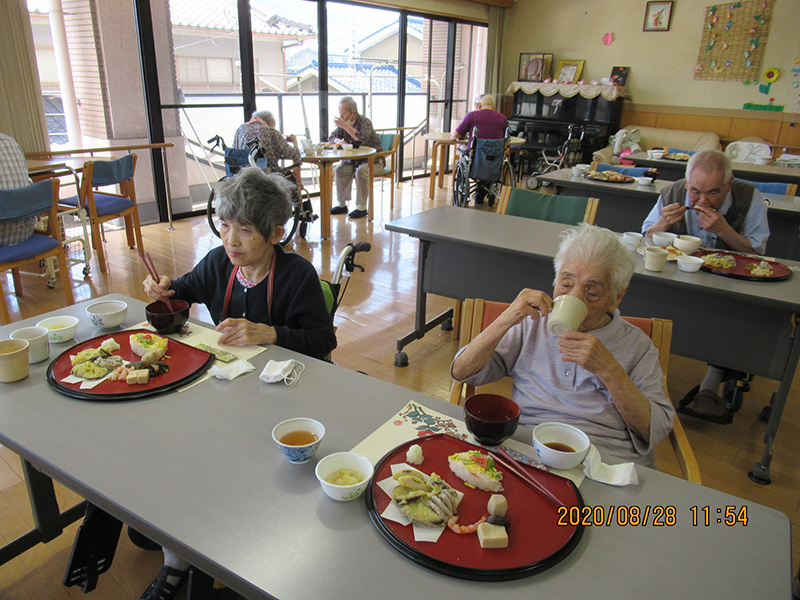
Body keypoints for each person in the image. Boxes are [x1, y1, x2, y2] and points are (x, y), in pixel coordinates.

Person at [138, 167, 336, 600]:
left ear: (276, 233)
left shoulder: (296, 275)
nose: (231, 241)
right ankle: (180, 551)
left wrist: (272, 333)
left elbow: (324, 342)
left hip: (286, 400)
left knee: (239, 472)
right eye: (225, 227)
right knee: (181, 452)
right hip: (228, 390)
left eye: (245, 231)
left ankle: (228, 552)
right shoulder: (218, 263)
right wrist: (166, 288)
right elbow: (184, 293)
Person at [450, 224, 675, 466]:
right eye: (566, 285)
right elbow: (462, 371)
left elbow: (655, 430)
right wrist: (507, 317)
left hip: (606, 462)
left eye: (592, 291)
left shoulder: (637, 345)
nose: (575, 297)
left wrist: (609, 370)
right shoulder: (532, 324)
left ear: (616, 296)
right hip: (529, 450)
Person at [641, 149, 769, 421]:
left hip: (730, 284)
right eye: (695, 191)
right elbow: (645, 240)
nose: (702, 200)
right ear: (687, 184)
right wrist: (663, 223)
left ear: (729, 185)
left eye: (713, 193)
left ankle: (712, 381)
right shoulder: (673, 193)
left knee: (728, 313)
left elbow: (758, 253)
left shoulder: (750, 197)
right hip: (680, 280)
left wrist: (725, 231)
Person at [328, 96, 383, 219]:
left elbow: (363, 139)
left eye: (344, 112)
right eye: (340, 112)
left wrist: (346, 127)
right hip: (353, 161)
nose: (341, 116)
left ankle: (361, 207)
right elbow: (331, 137)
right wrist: (339, 141)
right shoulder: (343, 125)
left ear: (354, 113)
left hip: (373, 160)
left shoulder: (365, 122)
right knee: (340, 170)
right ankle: (341, 204)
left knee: (362, 171)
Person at [450, 94, 509, 206]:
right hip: (495, 159)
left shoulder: (472, 115)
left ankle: (478, 190)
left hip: (476, 158)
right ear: (494, 107)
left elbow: (456, 134)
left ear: (479, 105)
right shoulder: (502, 118)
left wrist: (451, 136)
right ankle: (485, 188)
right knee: (490, 158)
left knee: (466, 155)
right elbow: (506, 141)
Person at [233, 110, 303, 189]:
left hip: (242, 176)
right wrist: (294, 142)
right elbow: (293, 154)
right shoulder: (270, 131)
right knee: (292, 177)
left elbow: (234, 151)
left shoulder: (240, 130)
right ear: (271, 122)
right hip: (267, 176)